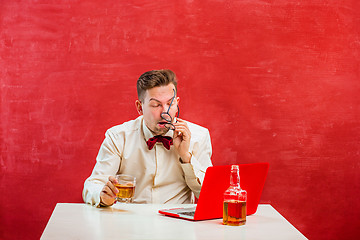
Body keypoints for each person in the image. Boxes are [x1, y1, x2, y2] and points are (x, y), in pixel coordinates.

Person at [83, 69, 213, 207]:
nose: (165, 112)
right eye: (156, 105)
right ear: (140, 107)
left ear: (177, 103)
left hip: (179, 223)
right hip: (129, 221)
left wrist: (186, 157)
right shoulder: (118, 137)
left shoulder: (199, 136)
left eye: (170, 103)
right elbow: (93, 185)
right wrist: (103, 196)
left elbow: (209, 195)